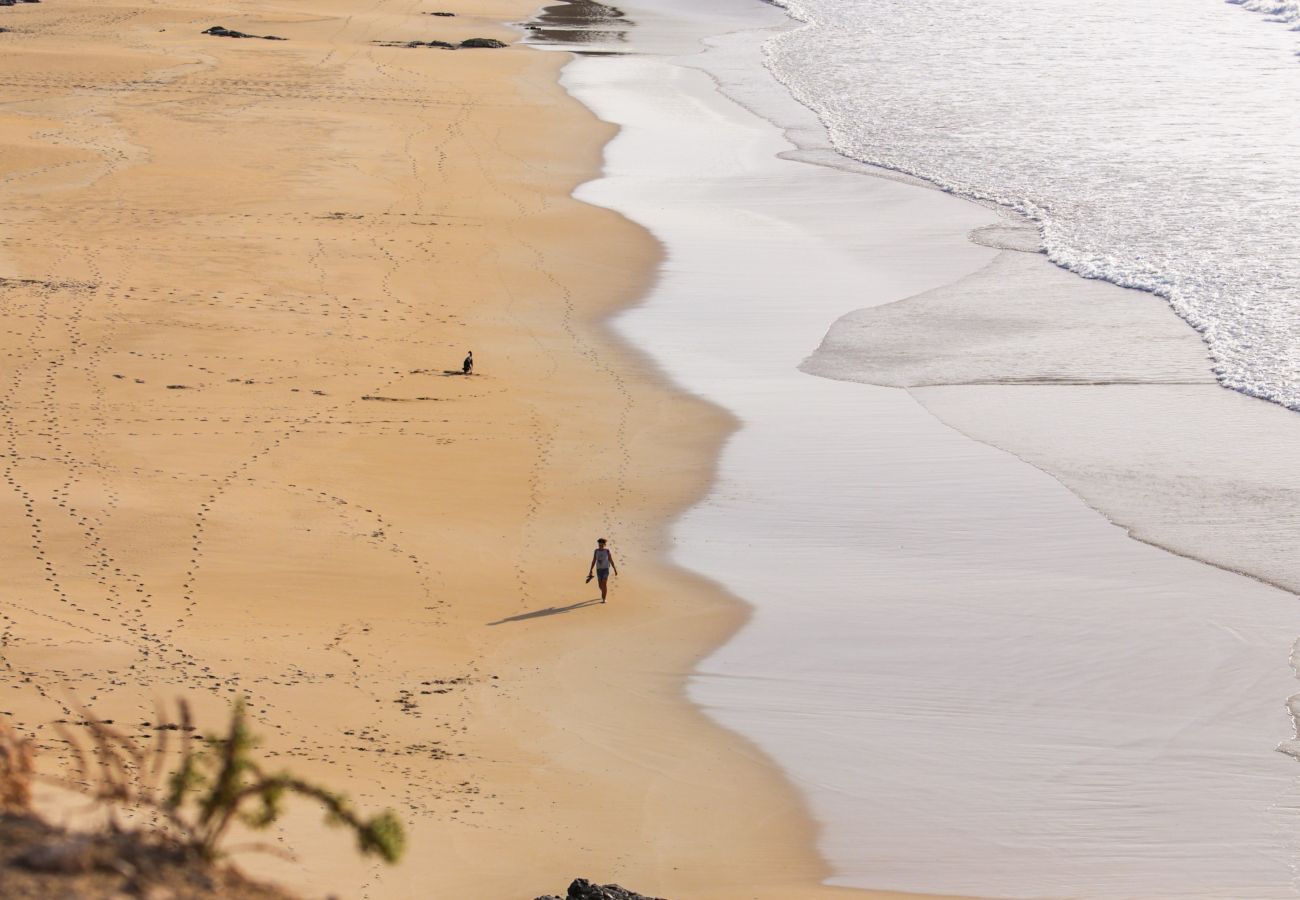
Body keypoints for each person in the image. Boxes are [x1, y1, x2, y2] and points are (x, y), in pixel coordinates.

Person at [586, 538, 617, 603]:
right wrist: (591, 570)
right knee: (600, 585)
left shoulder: (607, 551)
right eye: (599, 545)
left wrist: (614, 569)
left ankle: (604, 599)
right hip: (598, 570)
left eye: (602, 545)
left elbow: (610, 560)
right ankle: (603, 592)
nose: (600, 547)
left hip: (605, 569)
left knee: (604, 583)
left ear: (604, 545)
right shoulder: (596, 551)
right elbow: (594, 560)